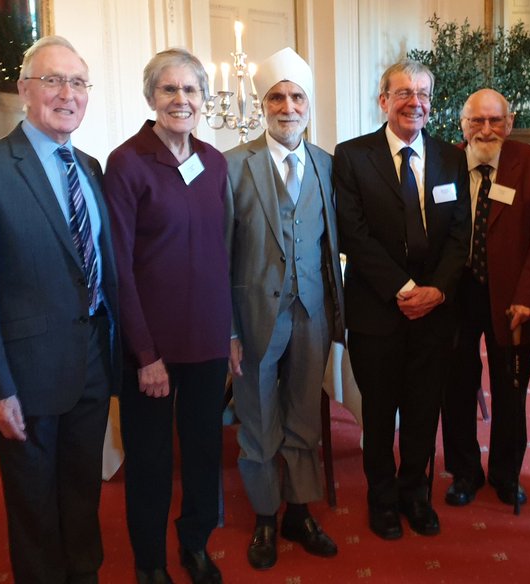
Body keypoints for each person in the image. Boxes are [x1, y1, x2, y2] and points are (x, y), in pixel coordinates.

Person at [0, 35, 121, 583]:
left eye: (77, 82)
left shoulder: (91, 167)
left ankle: (84, 573)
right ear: (25, 89)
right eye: (53, 80)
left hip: (91, 362)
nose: (66, 93)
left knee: (81, 489)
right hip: (24, 376)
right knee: (31, 503)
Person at [103, 47, 230, 584]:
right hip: (150, 349)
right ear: (151, 97)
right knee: (152, 462)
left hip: (207, 341)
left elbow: (223, 252)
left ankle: (196, 543)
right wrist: (145, 355)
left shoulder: (214, 160)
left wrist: (231, 334)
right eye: (169, 90)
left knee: (204, 453)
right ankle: (150, 561)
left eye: (191, 90)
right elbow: (119, 268)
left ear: (204, 98)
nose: (181, 100)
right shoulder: (128, 162)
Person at [333, 59, 470, 540]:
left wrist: (439, 290)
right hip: (377, 310)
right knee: (379, 410)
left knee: (422, 409)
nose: (416, 101)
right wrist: (404, 289)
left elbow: (460, 234)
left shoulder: (452, 157)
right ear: (383, 100)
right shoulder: (351, 157)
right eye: (404, 92)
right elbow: (354, 234)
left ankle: (416, 494)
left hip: (435, 311)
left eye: (424, 93)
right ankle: (382, 499)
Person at [225, 47, 342, 570]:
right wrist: (227, 330)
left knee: (303, 418)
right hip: (253, 320)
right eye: (277, 96)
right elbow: (217, 256)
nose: (288, 106)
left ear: (308, 104)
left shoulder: (325, 165)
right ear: (263, 104)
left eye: (297, 96)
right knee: (257, 421)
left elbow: (330, 246)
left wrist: (337, 318)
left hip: (311, 315)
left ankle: (299, 510)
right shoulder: (232, 166)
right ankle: (266, 517)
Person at [440, 88, 530, 508]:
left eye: (495, 120)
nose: (486, 130)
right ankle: (464, 472)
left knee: (510, 389)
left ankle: (507, 474)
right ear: (462, 125)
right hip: (457, 293)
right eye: (476, 121)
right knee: (457, 386)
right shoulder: (445, 161)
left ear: (510, 121)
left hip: (512, 297)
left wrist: (529, 297)